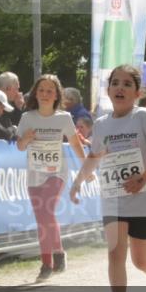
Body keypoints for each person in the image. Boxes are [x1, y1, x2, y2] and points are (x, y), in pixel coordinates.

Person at [70, 64, 146, 292]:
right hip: (113, 198)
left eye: (127, 84)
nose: (120, 87)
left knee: (140, 261)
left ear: (137, 92)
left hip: (142, 198)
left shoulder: (144, 117)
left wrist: (142, 179)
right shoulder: (102, 124)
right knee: (115, 253)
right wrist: (78, 182)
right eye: (115, 83)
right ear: (108, 90)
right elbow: (94, 157)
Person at [17, 74, 87, 280]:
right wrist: (27, 139)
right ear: (35, 94)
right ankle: (59, 252)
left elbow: (75, 143)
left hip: (56, 172)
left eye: (50, 91)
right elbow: (20, 147)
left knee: (47, 212)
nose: (45, 94)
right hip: (34, 174)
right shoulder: (27, 118)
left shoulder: (64, 118)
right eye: (42, 90)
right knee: (43, 219)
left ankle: (46, 264)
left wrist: (86, 167)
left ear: (57, 94)